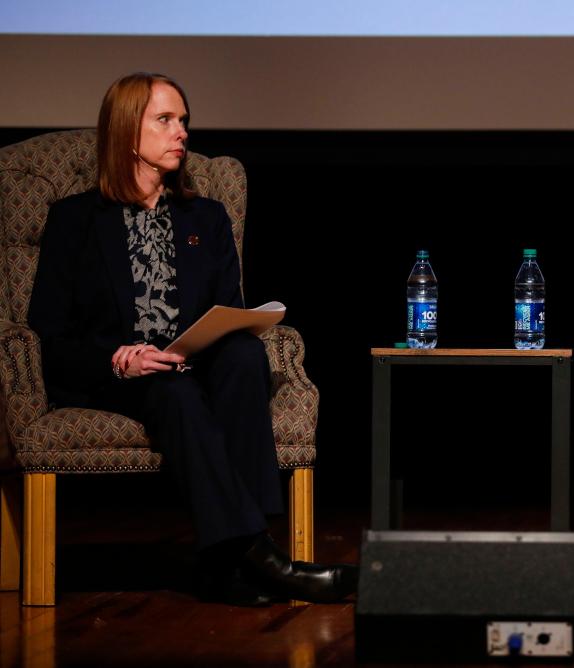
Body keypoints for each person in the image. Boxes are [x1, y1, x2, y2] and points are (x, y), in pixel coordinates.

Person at [28, 72, 357, 607]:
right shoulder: (76, 220)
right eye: (165, 120)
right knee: (173, 392)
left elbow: (226, 308)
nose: (181, 132)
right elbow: (49, 332)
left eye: (183, 120)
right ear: (126, 132)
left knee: (245, 354)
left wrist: (215, 336)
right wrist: (117, 357)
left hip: (193, 361)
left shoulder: (206, 215)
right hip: (122, 374)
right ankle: (263, 560)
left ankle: (227, 564)